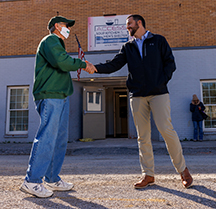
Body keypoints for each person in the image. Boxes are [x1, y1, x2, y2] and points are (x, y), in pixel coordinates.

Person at [92, 14, 193, 189]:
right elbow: (114, 64)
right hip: (137, 96)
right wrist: (94, 68)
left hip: (158, 93)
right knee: (142, 137)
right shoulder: (128, 47)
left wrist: (161, 81)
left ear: (139, 23)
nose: (127, 27)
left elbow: (170, 63)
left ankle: (183, 170)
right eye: (127, 25)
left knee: (166, 130)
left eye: (129, 24)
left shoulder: (158, 40)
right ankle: (148, 174)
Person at [20, 15, 95, 198]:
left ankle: (52, 178)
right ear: (56, 26)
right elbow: (61, 62)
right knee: (47, 137)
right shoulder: (51, 40)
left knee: (59, 139)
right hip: (50, 95)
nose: (68, 28)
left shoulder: (57, 44)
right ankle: (32, 181)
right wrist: (83, 64)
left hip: (60, 96)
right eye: (65, 25)